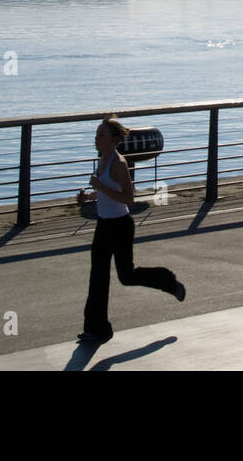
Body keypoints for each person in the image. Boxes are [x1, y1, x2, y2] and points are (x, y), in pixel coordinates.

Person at [76, 117, 186, 344]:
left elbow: (128, 198)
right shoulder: (104, 159)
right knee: (97, 277)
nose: (96, 139)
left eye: (101, 135)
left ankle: (168, 281)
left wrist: (99, 186)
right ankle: (98, 329)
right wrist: (89, 197)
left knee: (127, 276)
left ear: (114, 140)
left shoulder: (118, 163)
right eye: (96, 134)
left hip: (120, 226)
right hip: (103, 224)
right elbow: (106, 191)